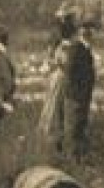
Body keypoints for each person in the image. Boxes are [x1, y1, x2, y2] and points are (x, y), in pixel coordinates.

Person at [36, 13, 77, 152]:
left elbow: (53, 60)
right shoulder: (67, 48)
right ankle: (54, 139)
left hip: (56, 78)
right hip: (61, 79)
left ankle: (52, 136)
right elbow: (64, 64)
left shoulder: (60, 46)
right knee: (56, 108)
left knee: (53, 107)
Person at [61, 19, 98, 158]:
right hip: (76, 96)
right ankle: (72, 158)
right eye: (86, 29)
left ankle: (78, 157)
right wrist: (77, 94)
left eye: (90, 29)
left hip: (82, 96)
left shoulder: (85, 48)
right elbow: (70, 73)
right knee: (73, 128)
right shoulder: (76, 48)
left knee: (80, 127)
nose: (89, 33)